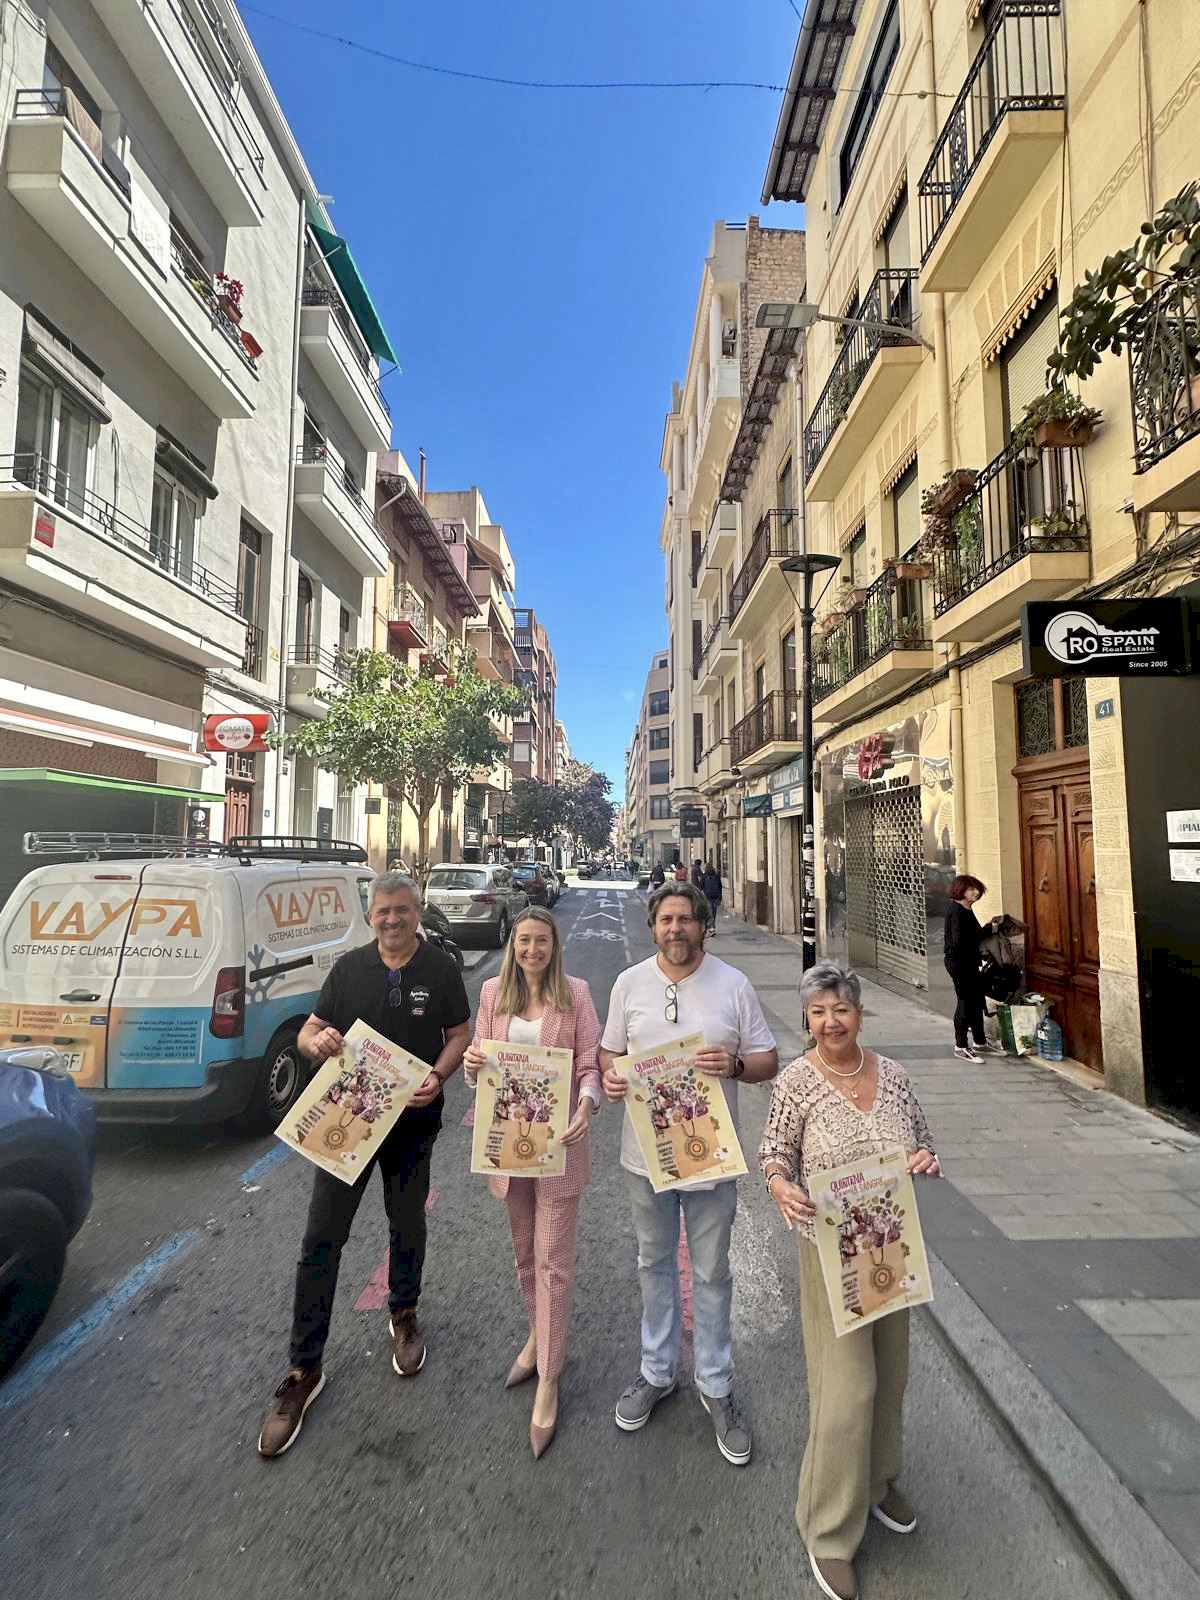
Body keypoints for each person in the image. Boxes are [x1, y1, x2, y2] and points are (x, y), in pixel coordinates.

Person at [257, 872, 470, 1458]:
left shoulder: (440, 968)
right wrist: (317, 1043)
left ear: (418, 912)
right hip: (346, 1125)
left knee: (408, 1224)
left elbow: (459, 1034)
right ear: (370, 916)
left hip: (412, 1125)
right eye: (382, 911)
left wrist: (439, 1074)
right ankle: (304, 1368)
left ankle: (404, 1313)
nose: (392, 919)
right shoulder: (349, 969)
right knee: (321, 1238)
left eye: (402, 909)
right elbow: (310, 1032)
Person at [759, 963, 941, 1600]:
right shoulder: (796, 1083)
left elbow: (923, 1144)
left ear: (860, 1014)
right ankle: (828, 1528)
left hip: (891, 1246)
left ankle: (877, 1480)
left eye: (840, 1009)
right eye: (818, 1012)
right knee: (847, 1390)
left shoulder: (895, 1077)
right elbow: (774, 1155)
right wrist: (781, 1186)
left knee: (891, 1376)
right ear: (807, 1020)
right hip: (828, 1252)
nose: (830, 1022)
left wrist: (926, 1159)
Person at [601, 881, 778, 1466]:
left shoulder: (734, 984)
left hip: (712, 1160)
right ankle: (657, 1372)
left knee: (711, 1273)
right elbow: (608, 1053)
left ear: (704, 926)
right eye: (666, 920)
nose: (675, 928)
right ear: (653, 927)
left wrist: (735, 1064)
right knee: (653, 1263)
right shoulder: (629, 984)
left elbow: (767, 1060)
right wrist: (611, 1076)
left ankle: (716, 1383)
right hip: (644, 1159)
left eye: (685, 919)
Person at [463, 907, 602, 1459]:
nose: (532, 950)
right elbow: (479, 1064)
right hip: (508, 1146)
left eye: (542, 940)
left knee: (554, 1261)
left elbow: (589, 1065)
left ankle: (549, 1376)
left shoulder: (576, 994)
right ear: (513, 945)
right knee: (525, 1255)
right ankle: (539, 1337)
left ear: (554, 945)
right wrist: (472, 1064)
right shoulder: (493, 993)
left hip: (559, 1146)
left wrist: (586, 1104)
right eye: (524, 940)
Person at [943, 874, 1000, 1062]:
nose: (976, 892)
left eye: (977, 889)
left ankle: (980, 1042)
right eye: (971, 889)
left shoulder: (966, 909)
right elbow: (961, 941)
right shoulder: (956, 911)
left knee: (976, 1002)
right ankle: (961, 1046)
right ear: (960, 891)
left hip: (969, 963)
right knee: (965, 1003)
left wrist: (986, 930)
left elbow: (971, 936)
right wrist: (987, 930)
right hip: (959, 964)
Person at [701, 861, 722, 930]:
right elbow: (720, 886)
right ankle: (712, 925)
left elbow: (701, 886)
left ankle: (712, 926)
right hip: (716, 896)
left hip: (707, 896)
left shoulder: (704, 876)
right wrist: (720, 897)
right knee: (714, 912)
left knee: (710, 912)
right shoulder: (716, 876)